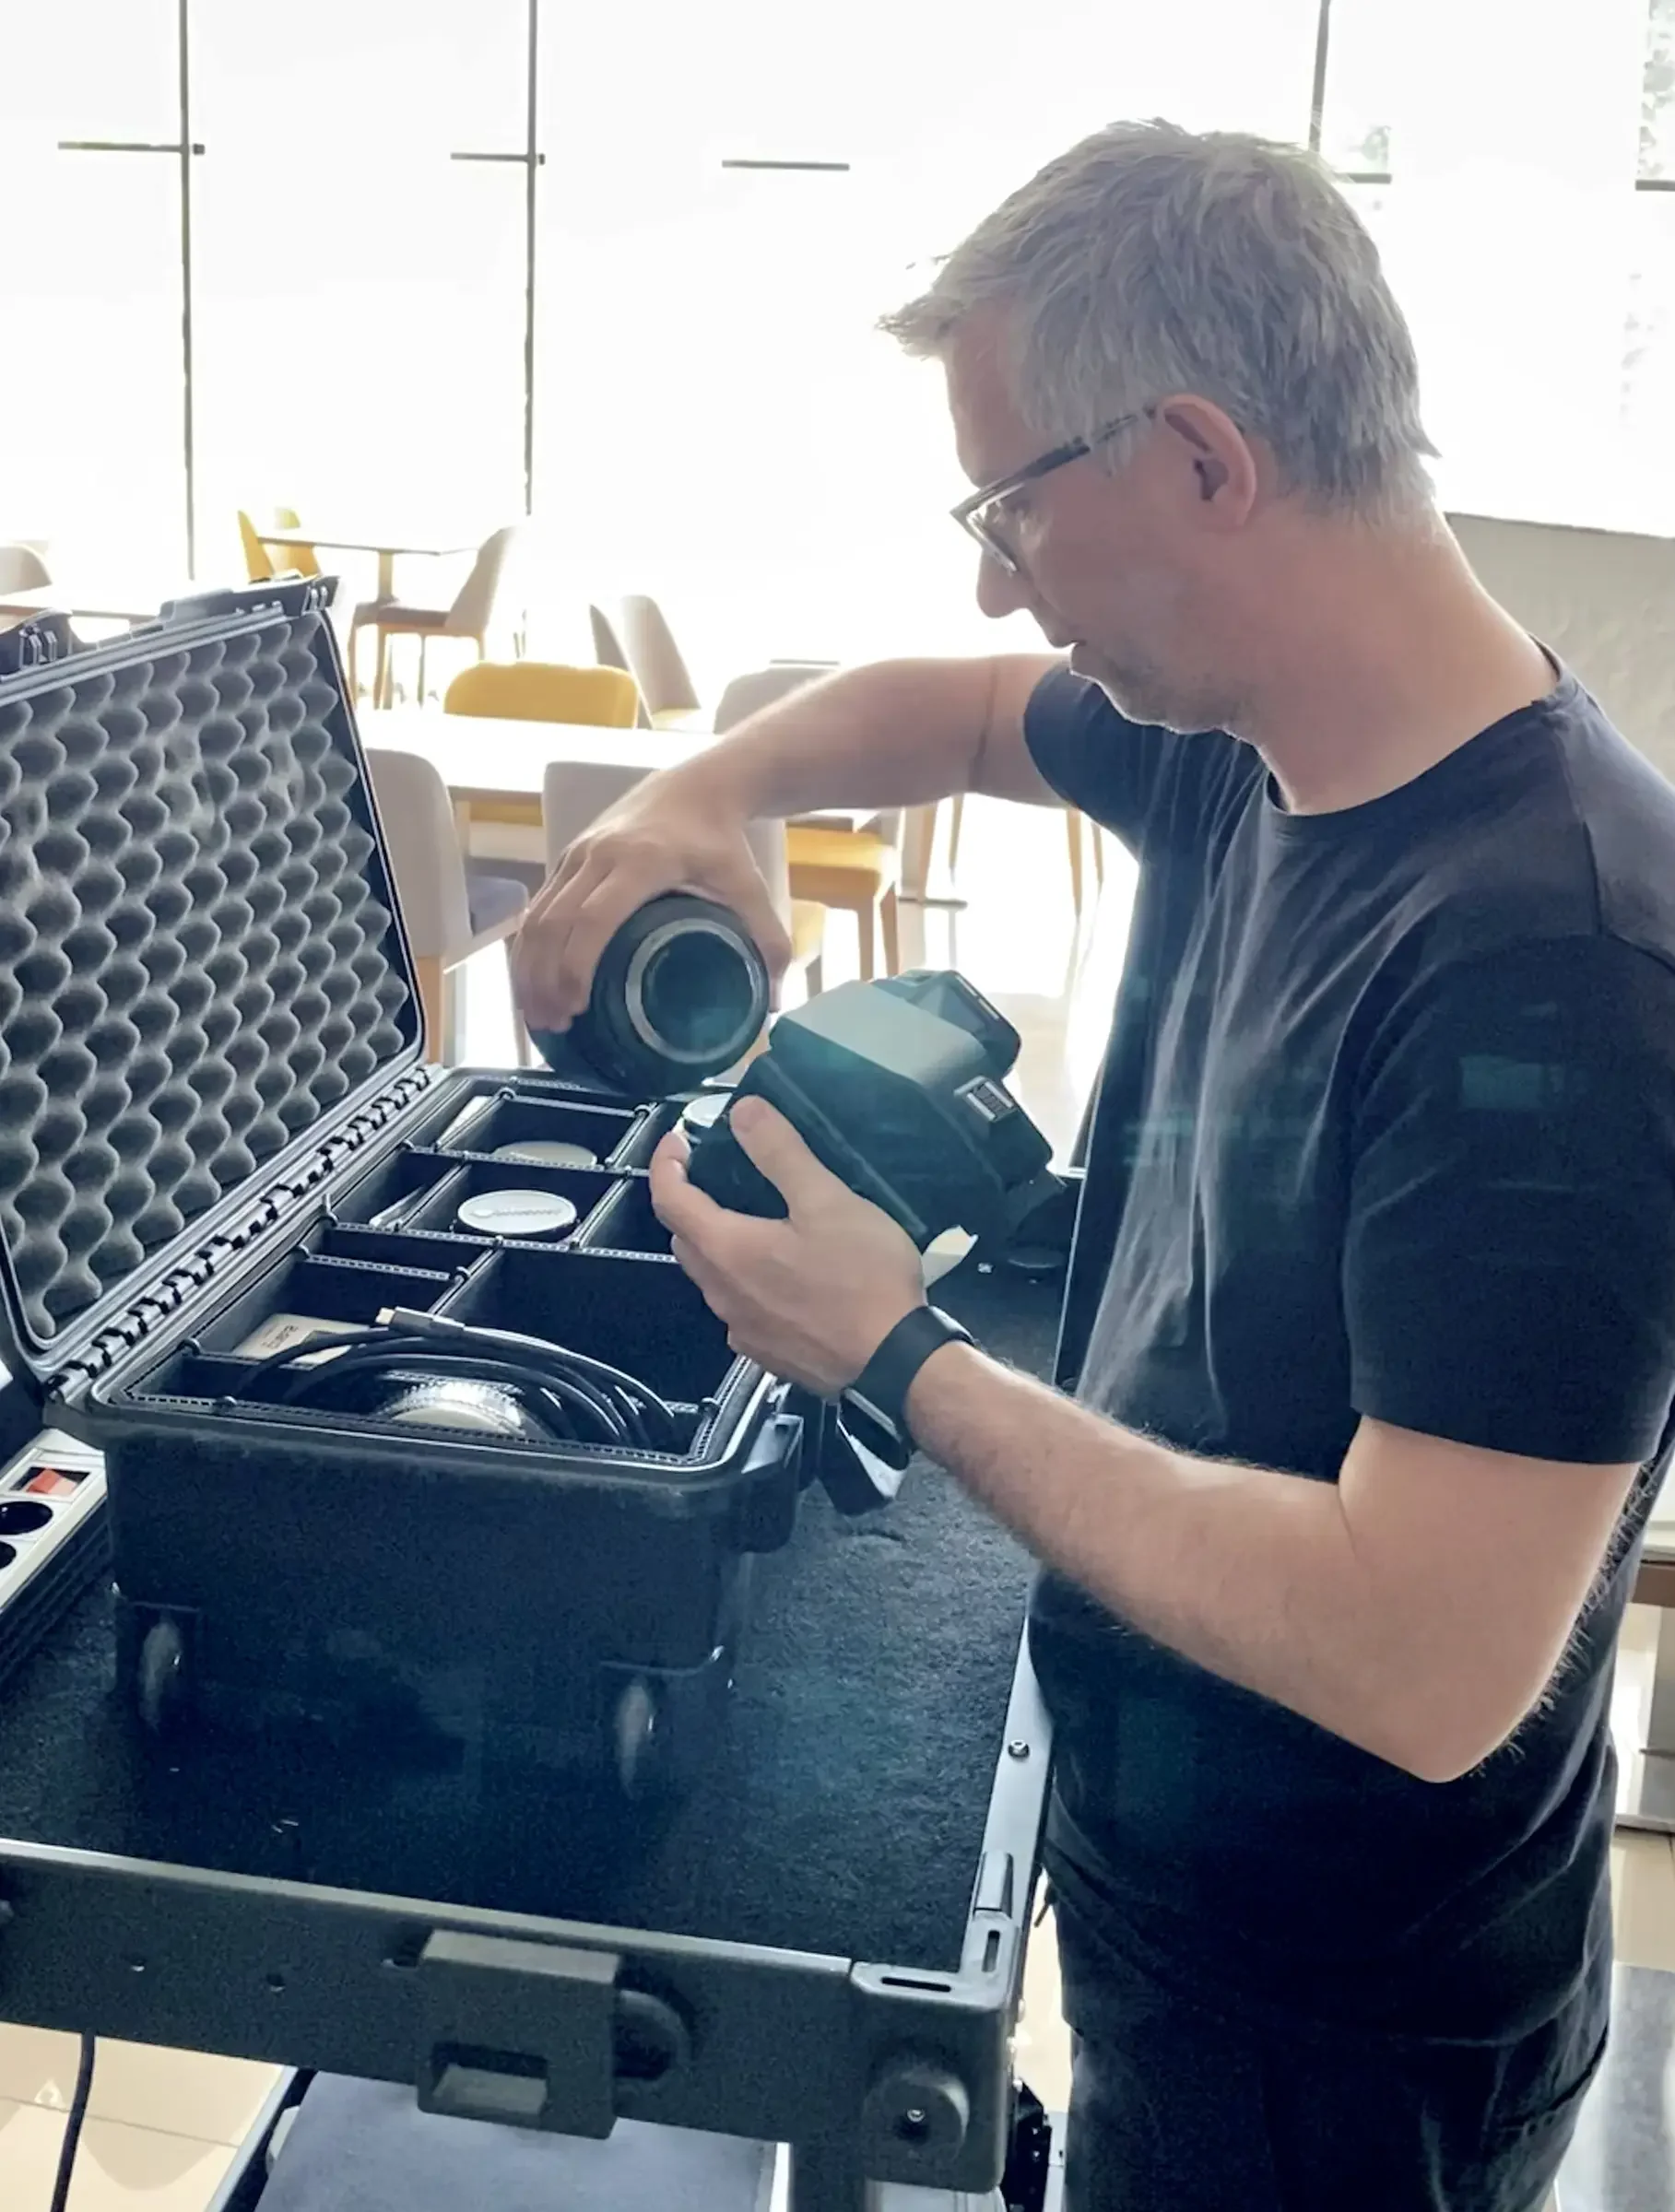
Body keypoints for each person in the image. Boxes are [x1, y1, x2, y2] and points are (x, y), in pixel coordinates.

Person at [512, 122, 1675, 2210]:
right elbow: (950, 708)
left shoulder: (1562, 968)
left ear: (1203, 464)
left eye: (1008, 505)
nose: (990, 575)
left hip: (1342, 2053)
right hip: (1184, 1921)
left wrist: (893, 1353)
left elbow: (1420, 1667)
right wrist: (712, 785)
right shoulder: (1252, 745)